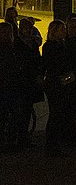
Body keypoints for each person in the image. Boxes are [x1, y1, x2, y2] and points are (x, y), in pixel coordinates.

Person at [42, 20, 75, 156]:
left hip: (58, 81)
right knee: (56, 113)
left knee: (57, 113)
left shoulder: (59, 45)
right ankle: (52, 144)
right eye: (62, 29)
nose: (64, 31)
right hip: (56, 82)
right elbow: (53, 64)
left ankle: (54, 143)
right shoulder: (52, 46)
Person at [15, 17, 44, 148]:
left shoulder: (30, 43)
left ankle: (22, 137)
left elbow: (37, 60)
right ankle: (20, 137)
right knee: (22, 110)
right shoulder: (19, 43)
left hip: (29, 81)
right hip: (23, 81)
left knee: (25, 110)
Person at [0, 21, 24, 151]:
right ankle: (8, 141)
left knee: (10, 115)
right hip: (7, 86)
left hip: (11, 86)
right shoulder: (10, 49)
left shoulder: (13, 47)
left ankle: (9, 141)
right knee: (8, 115)